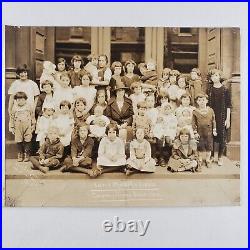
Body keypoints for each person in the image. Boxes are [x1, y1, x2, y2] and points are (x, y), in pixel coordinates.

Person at [208, 69, 231, 166]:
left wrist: (228, 119)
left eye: (216, 75)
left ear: (220, 77)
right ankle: (213, 155)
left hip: (222, 116)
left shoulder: (225, 89)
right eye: (212, 76)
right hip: (212, 115)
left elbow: (229, 105)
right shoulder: (210, 89)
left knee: (222, 136)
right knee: (213, 136)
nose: (214, 77)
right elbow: (208, 104)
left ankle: (220, 156)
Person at [9, 91, 36, 162]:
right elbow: (11, 118)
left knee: (28, 139)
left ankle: (27, 154)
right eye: (18, 100)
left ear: (25, 100)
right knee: (19, 140)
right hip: (18, 126)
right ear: (16, 100)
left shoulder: (28, 106)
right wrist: (11, 127)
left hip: (27, 126)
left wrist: (33, 125)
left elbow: (32, 116)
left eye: (22, 100)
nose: (20, 101)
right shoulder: (14, 108)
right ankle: (20, 154)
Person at [193, 93, 217, 169]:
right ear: (197, 102)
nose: (202, 102)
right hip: (200, 132)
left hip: (209, 132)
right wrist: (195, 132)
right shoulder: (195, 112)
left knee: (209, 147)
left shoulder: (210, 110)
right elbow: (193, 123)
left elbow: (213, 121)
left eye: (203, 100)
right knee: (200, 146)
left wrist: (214, 130)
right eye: (199, 100)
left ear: (206, 101)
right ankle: (200, 159)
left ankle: (207, 160)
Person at [153, 102, 178, 167]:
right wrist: (162, 133)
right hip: (162, 132)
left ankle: (170, 157)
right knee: (161, 139)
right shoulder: (160, 117)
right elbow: (158, 126)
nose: (167, 110)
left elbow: (174, 127)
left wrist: (168, 133)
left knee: (168, 139)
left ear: (171, 109)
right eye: (165, 109)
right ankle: (161, 158)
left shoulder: (173, 117)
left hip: (170, 132)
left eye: (168, 109)